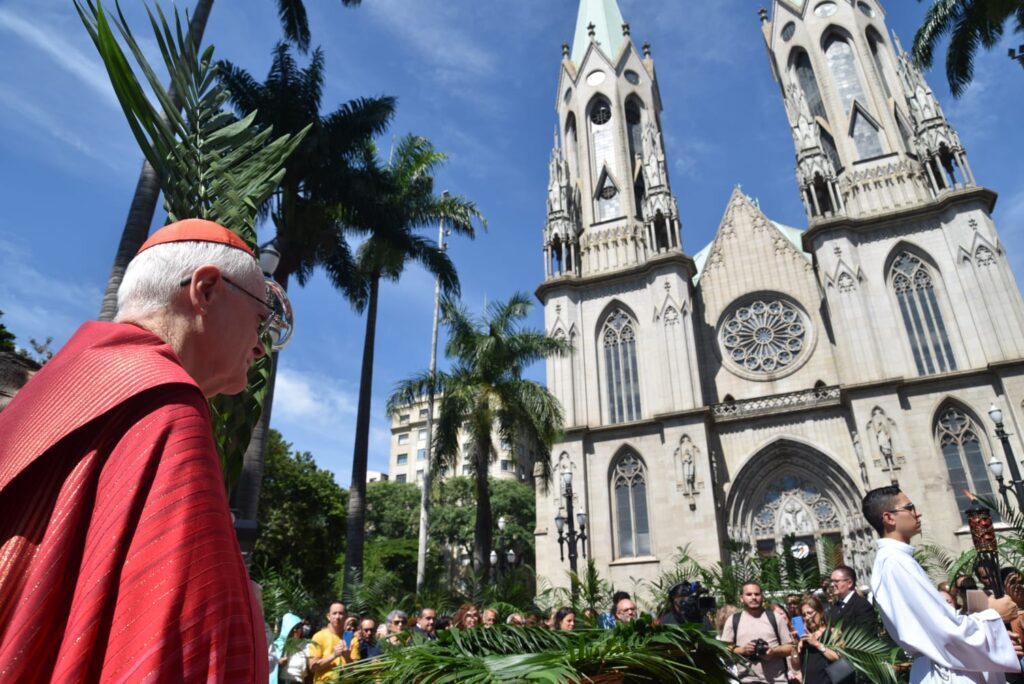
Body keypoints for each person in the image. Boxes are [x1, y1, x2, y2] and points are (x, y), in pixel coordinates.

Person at [0, 219, 289, 682]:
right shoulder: (165, 405)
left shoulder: (54, 386)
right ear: (207, 290)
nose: (260, 347)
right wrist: (247, 608)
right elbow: (184, 643)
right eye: (260, 319)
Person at [863, 485, 1022, 683]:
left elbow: (936, 624)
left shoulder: (896, 560)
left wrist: (997, 637)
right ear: (889, 518)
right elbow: (944, 630)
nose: (917, 513)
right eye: (910, 507)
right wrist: (992, 615)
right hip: (943, 671)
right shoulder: (896, 563)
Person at [720, 582, 794, 683]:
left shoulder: (775, 618)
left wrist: (773, 652)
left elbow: (790, 648)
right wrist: (742, 650)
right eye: (749, 594)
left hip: (777, 680)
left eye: (757, 594)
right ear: (741, 598)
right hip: (747, 680)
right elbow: (724, 649)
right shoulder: (733, 620)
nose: (753, 597)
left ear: (762, 597)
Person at [796, 596, 841, 684]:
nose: (807, 617)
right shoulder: (804, 636)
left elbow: (839, 657)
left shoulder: (834, 632)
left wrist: (817, 644)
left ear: (820, 612)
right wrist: (795, 650)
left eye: (810, 613)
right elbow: (797, 665)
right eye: (804, 615)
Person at [309, 602, 352, 682]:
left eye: (341, 613)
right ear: (328, 616)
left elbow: (356, 672)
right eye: (334, 613)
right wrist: (333, 655)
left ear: (346, 617)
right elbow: (313, 667)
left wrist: (347, 658)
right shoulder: (318, 636)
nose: (337, 617)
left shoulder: (352, 638)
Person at [829, 564, 875, 633]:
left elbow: (866, 634)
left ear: (849, 583)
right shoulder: (836, 606)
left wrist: (840, 636)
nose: (832, 585)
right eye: (831, 581)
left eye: (836, 581)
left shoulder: (862, 605)